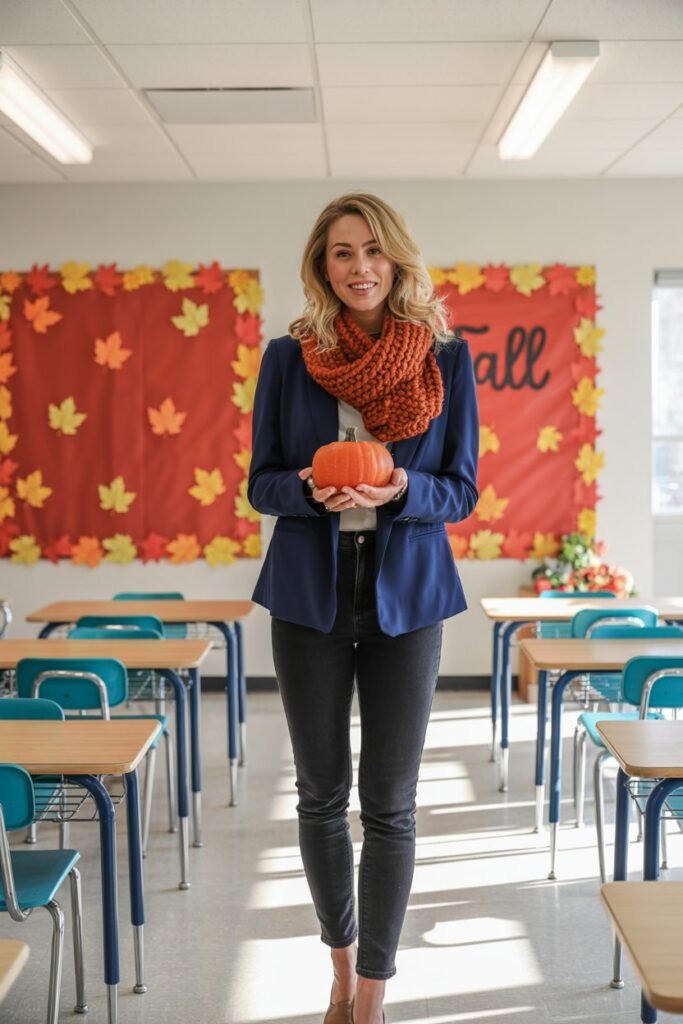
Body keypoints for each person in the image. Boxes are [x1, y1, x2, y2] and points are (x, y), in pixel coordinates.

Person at [247, 193, 479, 1024]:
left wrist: (400, 486)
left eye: (372, 251)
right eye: (341, 253)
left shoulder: (446, 362)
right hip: (308, 593)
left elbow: (460, 489)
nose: (359, 268)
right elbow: (261, 481)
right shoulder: (288, 356)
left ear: (398, 261)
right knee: (317, 793)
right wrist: (307, 487)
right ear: (322, 266)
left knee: (390, 803)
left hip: (407, 597)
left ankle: (373, 994)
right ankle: (339, 967)